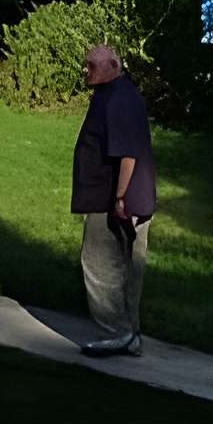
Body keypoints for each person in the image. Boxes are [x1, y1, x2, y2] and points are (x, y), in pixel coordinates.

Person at [73, 40, 155, 357]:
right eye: (86, 64)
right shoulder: (121, 94)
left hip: (113, 199)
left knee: (100, 263)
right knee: (129, 266)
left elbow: (127, 154)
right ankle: (129, 333)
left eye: (92, 65)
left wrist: (120, 197)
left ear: (113, 67)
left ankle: (115, 333)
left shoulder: (117, 99)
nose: (86, 70)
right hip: (137, 197)